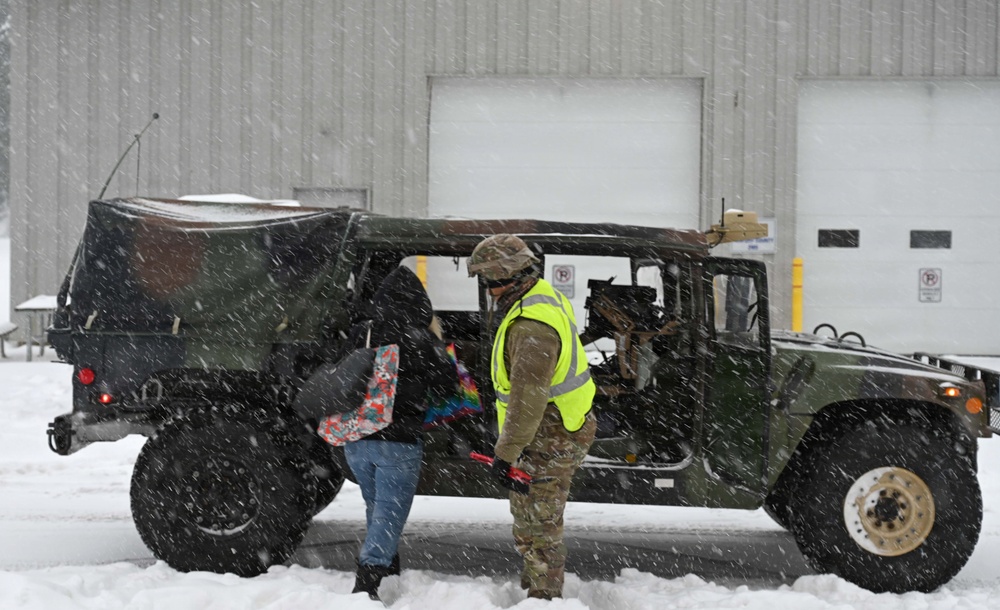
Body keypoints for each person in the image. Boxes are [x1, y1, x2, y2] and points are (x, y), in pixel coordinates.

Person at [467, 234, 597, 600]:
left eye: (489, 282)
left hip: (550, 433)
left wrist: (505, 454)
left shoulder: (530, 325)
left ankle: (544, 597)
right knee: (529, 513)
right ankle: (537, 586)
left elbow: (528, 399)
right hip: (545, 431)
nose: (488, 291)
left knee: (540, 523)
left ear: (504, 277)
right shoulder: (541, 295)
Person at [344, 265, 457, 600]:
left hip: (358, 437)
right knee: (389, 513)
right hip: (398, 440)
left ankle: (388, 567)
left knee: (376, 506)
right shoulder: (422, 339)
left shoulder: (361, 331)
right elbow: (448, 387)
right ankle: (367, 582)